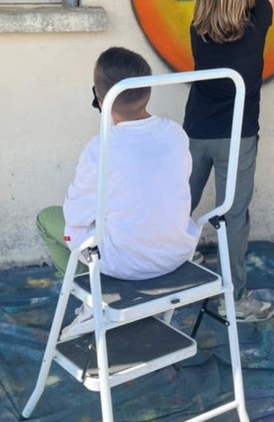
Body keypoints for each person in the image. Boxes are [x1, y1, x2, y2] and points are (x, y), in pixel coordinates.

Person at [36, 47, 201, 336]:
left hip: (123, 263)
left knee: (47, 219)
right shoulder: (176, 133)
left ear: (100, 100)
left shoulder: (100, 148)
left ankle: (91, 302)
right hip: (176, 253)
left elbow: (75, 215)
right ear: (148, 90)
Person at [182, 0, 274, 324]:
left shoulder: (197, 28)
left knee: (178, 205)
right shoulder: (256, 24)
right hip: (238, 136)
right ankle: (232, 299)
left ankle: (165, 273)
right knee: (233, 216)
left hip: (195, 133)